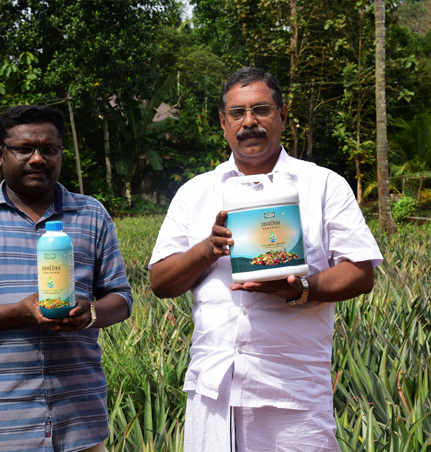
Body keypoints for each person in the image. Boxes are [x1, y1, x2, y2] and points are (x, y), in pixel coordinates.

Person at [149, 68, 383, 452]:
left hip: (293, 394)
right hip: (213, 392)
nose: (249, 122)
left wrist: (301, 288)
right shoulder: (195, 193)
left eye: (261, 109)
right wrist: (208, 248)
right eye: (237, 113)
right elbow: (161, 282)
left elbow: (360, 273)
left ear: (283, 115)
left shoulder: (323, 185)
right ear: (223, 123)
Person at [0, 105, 132, 452]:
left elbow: (121, 298)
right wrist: (19, 312)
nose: (38, 159)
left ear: (61, 153)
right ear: (0, 154)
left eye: (49, 149)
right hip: (2, 427)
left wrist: (91, 313)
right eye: (24, 149)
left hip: (81, 424)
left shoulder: (92, 214)